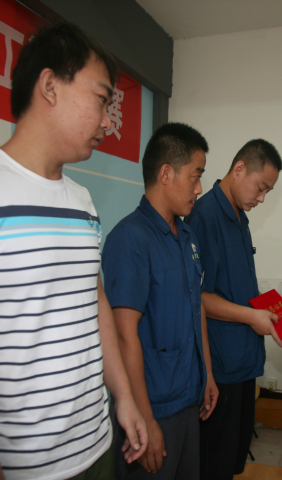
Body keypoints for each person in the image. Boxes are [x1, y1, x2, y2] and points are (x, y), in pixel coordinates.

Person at [0, 22, 147, 480]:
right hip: (24, 467)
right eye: (102, 100)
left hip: (96, 444)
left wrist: (123, 397)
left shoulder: (81, 201)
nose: (108, 122)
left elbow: (94, 300)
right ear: (50, 86)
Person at [102, 122, 219, 479]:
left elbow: (197, 308)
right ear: (166, 174)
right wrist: (145, 418)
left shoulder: (187, 236)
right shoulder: (130, 239)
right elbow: (123, 336)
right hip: (151, 407)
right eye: (195, 176)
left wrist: (207, 376)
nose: (199, 188)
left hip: (188, 398)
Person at [184, 139, 282, 479]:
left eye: (268, 191)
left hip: (244, 362)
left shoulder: (240, 217)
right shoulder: (205, 216)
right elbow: (199, 297)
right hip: (221, 367)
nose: (262, 198)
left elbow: (235, 286)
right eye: (261, 187)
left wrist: (272, 310)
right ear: (239, 169)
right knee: (215, 464)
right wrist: (252, 316)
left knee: (232, 463)